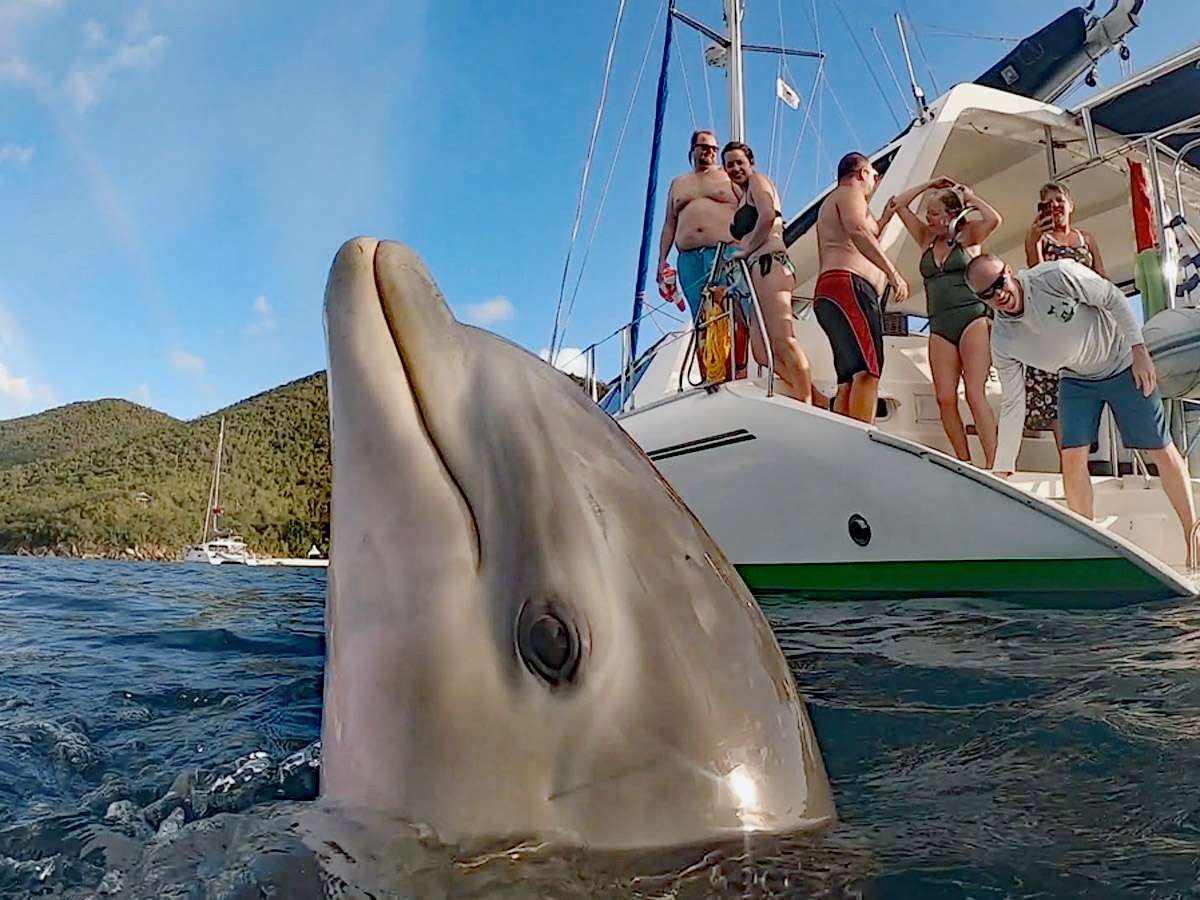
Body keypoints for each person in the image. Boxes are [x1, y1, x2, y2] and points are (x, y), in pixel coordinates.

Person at [964, 253, 1195, 562]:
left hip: (1123, 362)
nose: (998, 294)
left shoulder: (1056, 275)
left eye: (999, 283)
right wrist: (1004, 463)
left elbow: (1112, 297)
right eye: (987, 293)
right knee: (1071, 457)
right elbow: (1013, 402)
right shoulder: (1003, 340)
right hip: (1075, 379)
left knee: (1160, 449)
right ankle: (1089, 545)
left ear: (1009, 270)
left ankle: (1192, 538)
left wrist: (1139, 350)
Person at [884, 177, 1002, 465]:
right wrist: (928, 186)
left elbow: (994, 219)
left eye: (935, 214)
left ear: (952, 216)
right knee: (944, 398)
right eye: (928, 214)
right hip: (939, 323)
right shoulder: (926, 238)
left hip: (972, 317)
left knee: (974, 393)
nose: (929, 218)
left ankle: (996, 463)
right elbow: (897, 204)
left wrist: (970, 198)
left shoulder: (968, 236)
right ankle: (964, 461)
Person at [814, 152, 909, 422]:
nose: (876, 179)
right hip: (848, 286)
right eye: (872, 173)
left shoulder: (838, 202)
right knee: (869, 370)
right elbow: (858, 231)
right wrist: (893, 274)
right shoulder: (848, 194)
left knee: (848, 376)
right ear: (859, 173)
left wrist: (886, 219)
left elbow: (865, 230)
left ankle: (844, 435)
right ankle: (862, 436)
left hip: (831, 291)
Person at [720, 141, 815, 403]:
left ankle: (804, 399)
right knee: (762, 353)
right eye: (730, 165)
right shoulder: (741, 196)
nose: (735, 168)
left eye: (740, 162)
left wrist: (746, 248)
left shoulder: (759, 182)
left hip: (770, 263)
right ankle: (810, 394)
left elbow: (767, 216)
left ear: (751, 162)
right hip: (755, 273)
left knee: (783, 339)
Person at [1021, 181, 1108, 444]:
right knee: (1058, 396)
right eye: (1048, 203)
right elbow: (1037, 275)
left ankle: (1079, 458)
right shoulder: (1039, 238)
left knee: (1084, 391)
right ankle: (1068, 461)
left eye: (1059, 200)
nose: (1055, 206)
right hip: (1055, 323)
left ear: (1071, 206)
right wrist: (1034, 242)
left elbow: (1102, 278)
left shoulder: (1087, 238)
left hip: (1085, 327)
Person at [656, 130, 739, 322]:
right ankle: (704, 353)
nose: (709, 152)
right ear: (693, 150)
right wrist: (662, 260)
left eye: (713, 148)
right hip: (688, 260)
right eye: (704, 147)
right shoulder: (678, 183)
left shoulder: (728, 175)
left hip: (723, 253)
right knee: (701, 320)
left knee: (726, 312)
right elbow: (669, 225)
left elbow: (746, 205)